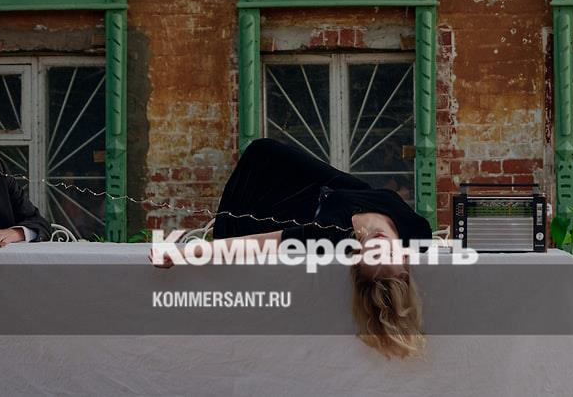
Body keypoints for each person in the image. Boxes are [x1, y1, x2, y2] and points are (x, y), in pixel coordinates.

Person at [154, 138, 434, 359]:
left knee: (261, 153)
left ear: (358, 259)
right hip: (310, 185)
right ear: (405, 257)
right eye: (389, 253)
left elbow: (261, 244)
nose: (379, 244)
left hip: (267, 208)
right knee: (264, 149)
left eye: (372, 255)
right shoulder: (417, 230)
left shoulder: (333, 236)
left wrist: (183, 253)